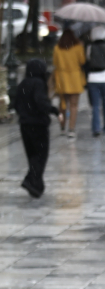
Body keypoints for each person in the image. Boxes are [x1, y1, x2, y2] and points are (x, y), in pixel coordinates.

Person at [13, 59, 59, 198]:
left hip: (25, 125)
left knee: (32, 155)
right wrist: (53, 110)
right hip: (38, 125)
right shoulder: (39, 83)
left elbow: (15, 103)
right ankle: (30, 180)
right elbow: (40, 101)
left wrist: (24, 114)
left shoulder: (22, 84)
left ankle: (37, 185)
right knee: (40, 155)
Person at [51, 28, 85, 139]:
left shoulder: (57, 48)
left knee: (62, 106)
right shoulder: (78, 47)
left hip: (62, 79)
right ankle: (71, 129)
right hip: (74, 80)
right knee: (74, 106)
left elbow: (55, 62)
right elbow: (82, 61)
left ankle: (62, 128)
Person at [85, 25, 105, 137]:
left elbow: (88, 59)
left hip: (93, 78)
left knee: (96, 105)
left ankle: (96, 128)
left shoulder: (90, 46)